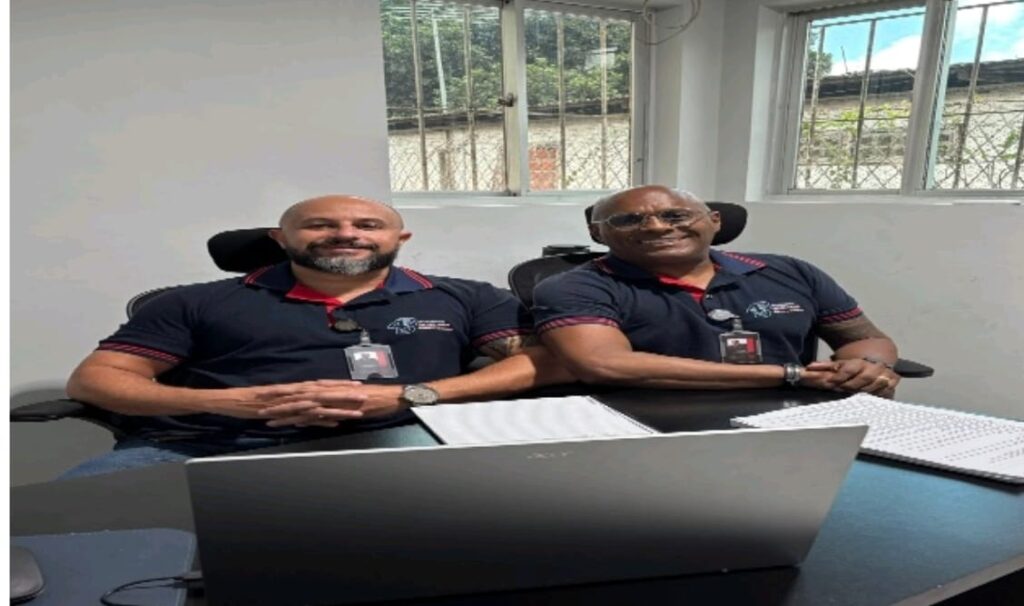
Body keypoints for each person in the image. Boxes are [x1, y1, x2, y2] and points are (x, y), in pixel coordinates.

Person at [64, 194, 571, 477]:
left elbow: (543, 361)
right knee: (69, 535)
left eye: (367, 224)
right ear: (280, 238)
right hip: (204, 448)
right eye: (319, 225)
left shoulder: (464, 296)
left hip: (404, 445)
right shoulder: (193, 301)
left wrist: (410, 395)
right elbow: (96, 380)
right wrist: (228, 402)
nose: (346, 234)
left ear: (399, 238)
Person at [532, 185, 901, 396]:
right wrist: (790, 374)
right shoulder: (575, 286)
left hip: (796, 415)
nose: (657, 227)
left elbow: (863, 338)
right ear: (597, 233)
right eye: (628, 220)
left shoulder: (789, 271)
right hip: (652, 423)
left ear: (714, 221)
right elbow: (604, 364)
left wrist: (869, 367)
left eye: (676, 216)